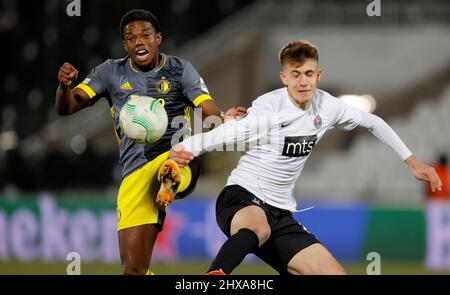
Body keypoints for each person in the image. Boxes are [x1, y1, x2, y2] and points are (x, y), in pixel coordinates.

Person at [169, 39, 443, 275]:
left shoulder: (328, 106)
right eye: (296, 74)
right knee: (257, 228)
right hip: (241, 197)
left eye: (309, 74)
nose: (303, 81)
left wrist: (413, 162)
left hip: (281, 212)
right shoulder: (270, 109)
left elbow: (373, 122)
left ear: (319, 75)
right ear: (284, 77)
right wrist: (187, 149)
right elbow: (224, 135)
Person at [55, 9, 246, 275]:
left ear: (158, 38)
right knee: (134, 269)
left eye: (145, 35)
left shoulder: (180, 70)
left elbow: (208, 108)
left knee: (171, 163)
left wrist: (224, 117)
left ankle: (170, 178)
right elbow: (67, 108)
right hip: (134, 174)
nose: (139, 41)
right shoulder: (110, 72)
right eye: (131, 38)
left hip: (179, 157)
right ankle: (165, 180)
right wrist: (64, 86)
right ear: (125, 45)